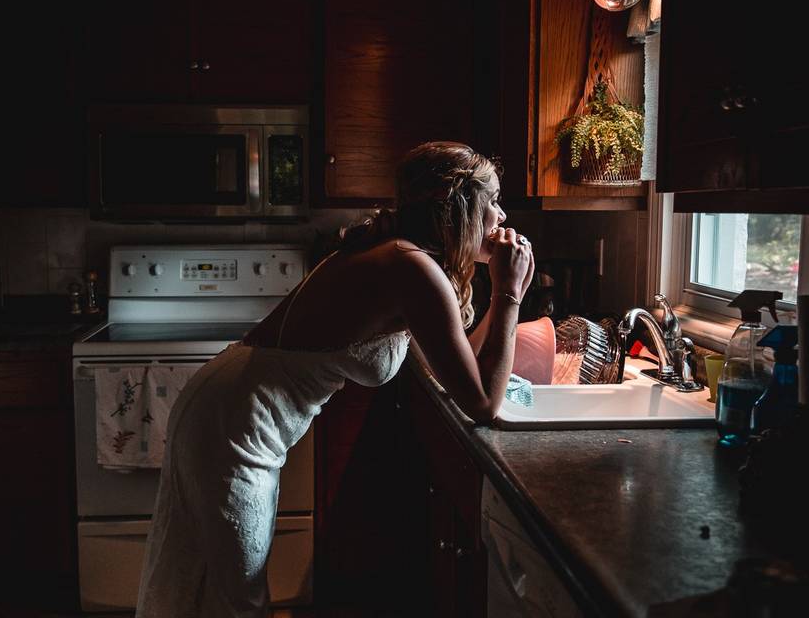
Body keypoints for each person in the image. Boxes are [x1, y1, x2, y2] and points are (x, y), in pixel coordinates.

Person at [135, 141, 535, 617]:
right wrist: (509, 296)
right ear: (463, 207)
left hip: (232, 408)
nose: (502, 214)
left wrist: (500, 292)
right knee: (235, 598)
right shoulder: (413, 268)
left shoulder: (409, 261)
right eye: (493, 201)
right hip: (233, 421)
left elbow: (461, 366)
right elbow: (483, 403)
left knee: (223, 588)